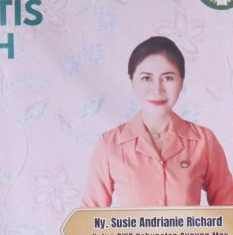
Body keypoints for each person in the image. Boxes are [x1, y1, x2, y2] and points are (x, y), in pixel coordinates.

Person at [82, 36, 233, 207]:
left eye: (168, 78)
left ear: (181, 82)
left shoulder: (204, 141)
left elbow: (228, 208)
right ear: (132, 81)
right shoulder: (109, 144)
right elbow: (89, 217)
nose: (157, 89)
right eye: (146, 78)